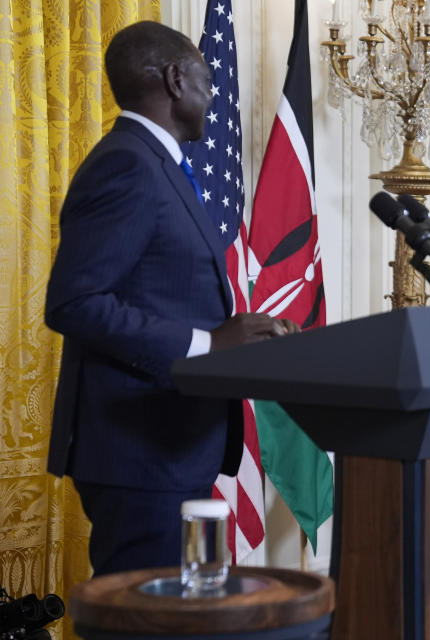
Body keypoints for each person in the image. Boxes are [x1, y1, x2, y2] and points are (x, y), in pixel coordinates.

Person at [45, 21, 298, 577]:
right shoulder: (126, 163)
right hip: (139, 452)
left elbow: (166, 292)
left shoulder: (163, 167)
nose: (214, 94)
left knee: (176, 618)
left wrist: (244, 334)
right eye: (207, 79)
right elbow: (74, 301)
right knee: (144, 622)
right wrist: (208, 342)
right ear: (176, 79)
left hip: (172, 444)